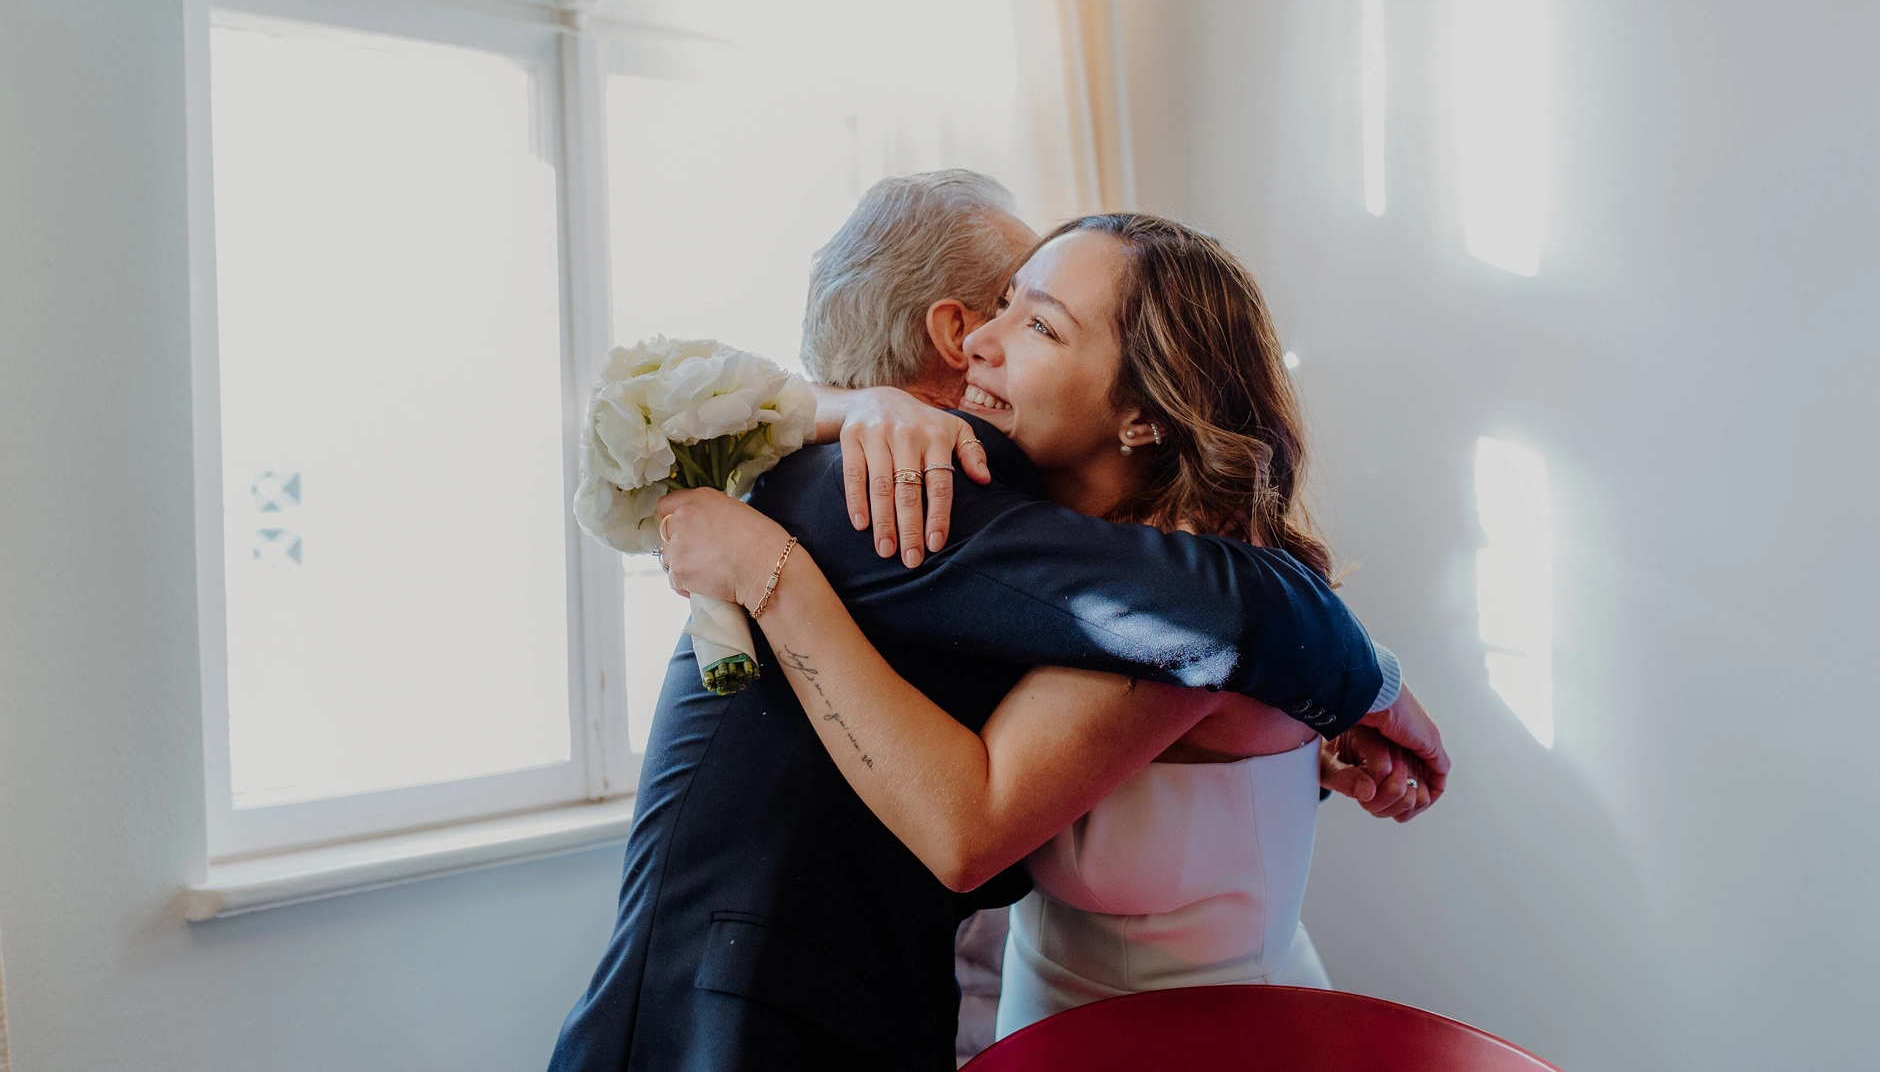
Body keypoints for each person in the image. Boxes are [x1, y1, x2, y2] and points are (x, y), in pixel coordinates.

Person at [546, 173, 1443, 1072]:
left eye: (1039, 321)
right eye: (1001, 305)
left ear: (1142, 413)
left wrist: (1301, 731)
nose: (984, 340)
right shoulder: (867, 495)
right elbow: (1218, 618)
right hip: (724, 1025)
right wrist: (1359, 682)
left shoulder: (1078, 564)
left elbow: (1195, 646)